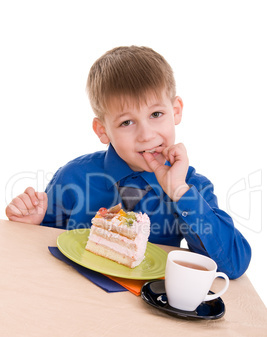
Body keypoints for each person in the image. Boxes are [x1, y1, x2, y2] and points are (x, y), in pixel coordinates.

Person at [5, 46, 251, 279]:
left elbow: (233, 264)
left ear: (176, 111)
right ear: (102, 130)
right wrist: (32, 227)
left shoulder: (191, 187)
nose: (146, 135)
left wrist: (179, 192)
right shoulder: (73, 177)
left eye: (156, 114)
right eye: (126, 122)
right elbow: (47, 250)